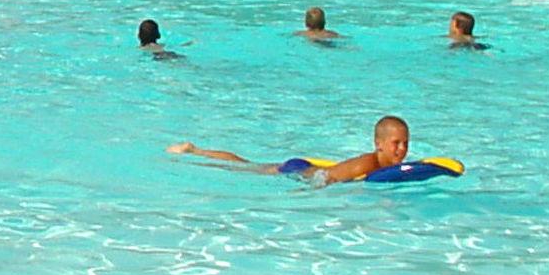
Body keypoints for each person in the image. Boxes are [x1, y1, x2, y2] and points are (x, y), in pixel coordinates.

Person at [168, 114, 412, 186]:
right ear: (379, 144)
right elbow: (327, 178)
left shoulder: (388, 166)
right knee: (244, 168)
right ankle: (195, 151)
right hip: (297, 170)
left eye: (405, 143)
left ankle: (196, 150)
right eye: (396, 143)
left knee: (249, 164)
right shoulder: (367, 164)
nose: (401, 149)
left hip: (306, 168)